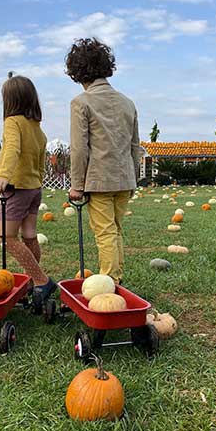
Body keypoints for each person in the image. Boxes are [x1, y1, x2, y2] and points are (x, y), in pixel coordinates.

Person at [66, 38, 140, 284]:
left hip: (98, 181)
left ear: (77, 72)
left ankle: (109, 283)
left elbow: (79, 149)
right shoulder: (128, 103)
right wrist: (133, 179)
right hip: (124, 179)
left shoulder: (81, 102)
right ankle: (117, 278)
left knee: (105, 233)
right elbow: (134, 145)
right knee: (116, 230)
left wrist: (77, 184)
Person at [0, 74, 55, 304]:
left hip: (15, 188)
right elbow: (40, 161)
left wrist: (3, 176)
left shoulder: (12, 123)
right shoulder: (37, 129)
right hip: (34, 189)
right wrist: (38, 181)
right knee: (29, 236)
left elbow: (12, 150)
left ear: (9, 100)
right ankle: (31, 282)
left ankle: (40, 280)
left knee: (7, 238)